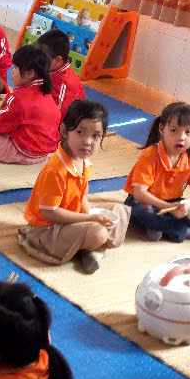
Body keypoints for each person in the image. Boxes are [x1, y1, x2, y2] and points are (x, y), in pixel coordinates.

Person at [18, 99, 129, 273]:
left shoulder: (83, 161)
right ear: (64, 131)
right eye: (80, 132)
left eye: (95, 135)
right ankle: (92, 248)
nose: (88, 141)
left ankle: (88, 247)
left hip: (71, 219)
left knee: (120, 210)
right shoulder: (56, 170)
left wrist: (91, 215)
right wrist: (90, 219)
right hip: (47, 230)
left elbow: (81, 196)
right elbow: (50, 213)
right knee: (99, 233)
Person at [124, 102, 190, 242]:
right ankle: (186, 231)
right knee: (144, 212)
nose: (181, 137)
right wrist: (168, 207)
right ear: (162, 129)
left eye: (188, 132)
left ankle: (162, 227)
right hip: (144, 202)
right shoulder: (150, 155)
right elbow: (139, 194)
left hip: (173, 203)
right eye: (174, 130)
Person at [36, 28, 85, 120]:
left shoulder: (65, 84)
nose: (38, 62)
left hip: (66, 122)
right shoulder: (51, 67)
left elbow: (57, 118)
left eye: (42, 59)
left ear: (58, 60)